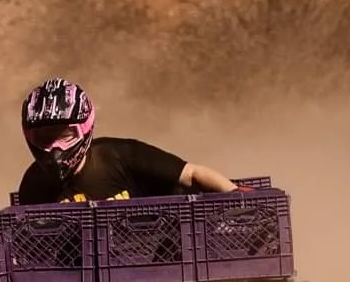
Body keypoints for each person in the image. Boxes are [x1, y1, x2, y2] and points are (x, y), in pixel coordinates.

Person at [15, 77, 240, 205]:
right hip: (81, 278)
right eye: (44, 138)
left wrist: (241, 198)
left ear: (85, 128)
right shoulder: (34, 183)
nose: (55, 148)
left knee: (180, 192)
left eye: (65, 135)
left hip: (158, 259)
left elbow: (192, 174)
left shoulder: (122, 156)